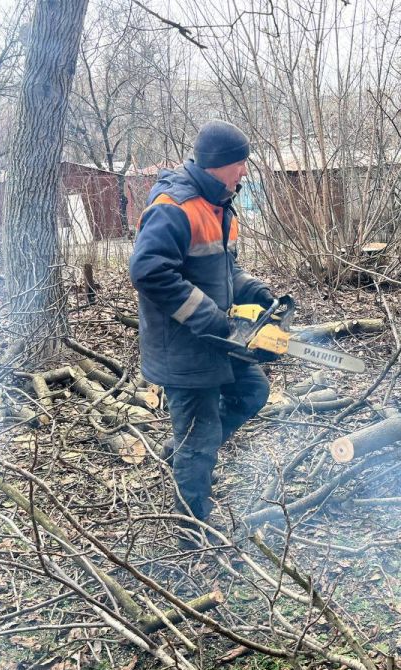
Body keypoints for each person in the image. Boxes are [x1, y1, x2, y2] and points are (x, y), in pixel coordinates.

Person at [129, 120, 278, 540]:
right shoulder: (175, 207)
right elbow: (148, 271)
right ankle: (191, 528)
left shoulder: (219, 204)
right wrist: (211, 318)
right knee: (200, 438)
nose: (244, 171)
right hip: (184, 347)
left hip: (214, 341)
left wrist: (255, 291)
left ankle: (182, 451)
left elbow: (224, 269)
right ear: (218, 163)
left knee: (253, 392)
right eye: (239, 163)